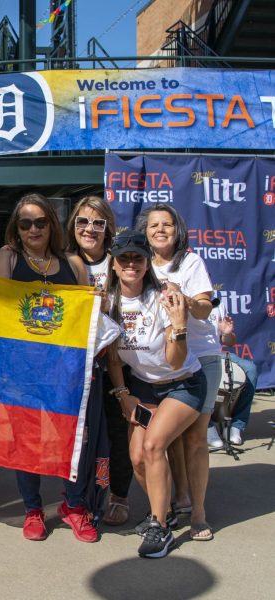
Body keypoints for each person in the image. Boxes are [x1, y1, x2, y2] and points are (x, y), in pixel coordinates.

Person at [0, 193, 98, 543]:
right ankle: (33, 509)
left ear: (52, 224)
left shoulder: (74, 263)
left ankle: (75, 505)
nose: (33, 229)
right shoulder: (7, 258)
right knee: (27, 443)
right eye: (25, 223)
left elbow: (88, 321)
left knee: (73, 438)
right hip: (21, 370)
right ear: (16, 229)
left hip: (65, 370)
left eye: (40, 222)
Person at [105, 230, 206, 559]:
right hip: (144, 388)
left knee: (152, 445)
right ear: (114, 264)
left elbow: (174, 360)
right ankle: (163, 511)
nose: (131, 263)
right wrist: (122, 394)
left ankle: (159, 527)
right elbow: (113, 356)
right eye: (125, 258)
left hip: (183, 383)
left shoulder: (163, 297)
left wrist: (178, 327)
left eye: (138, 257)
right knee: (137, 458)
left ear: (148, 263)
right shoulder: (109, 301)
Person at [136, 204, 216, 542]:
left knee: (195, 438)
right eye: (154, 225)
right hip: (163, 360)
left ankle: (198, 514)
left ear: (177, 229)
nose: (160, 230)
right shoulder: (140, 263)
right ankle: (175, 501)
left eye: (167, 224)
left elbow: (204, 307)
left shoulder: (190, 262)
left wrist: (183, 298)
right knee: (165, 441)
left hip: (202, 354)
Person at [65, 197, 132, 527]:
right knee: (81, 436)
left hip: (121, 362)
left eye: (97, 223)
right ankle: (80, 499)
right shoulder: (63, 262)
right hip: (78, 365)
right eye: (82, 222)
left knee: (118, 434)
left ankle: (115, 495)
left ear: (108, 228)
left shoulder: (122, 262)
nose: (89, 229)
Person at [208, 314, 257, 448]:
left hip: (218, 354)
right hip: (195, 356)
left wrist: (227, 333)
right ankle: (207, 426)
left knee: (250, 369)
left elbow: (229, 342)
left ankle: (236, 425)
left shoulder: (218, 305)